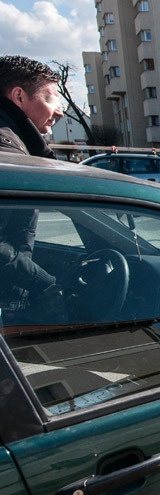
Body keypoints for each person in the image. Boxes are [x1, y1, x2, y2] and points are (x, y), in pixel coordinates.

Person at [0, 55, 64, 325]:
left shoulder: (16, 146)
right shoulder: (8, 154)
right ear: (19, 96)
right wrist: (43, 282)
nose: (60, 111)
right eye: (51, 98)